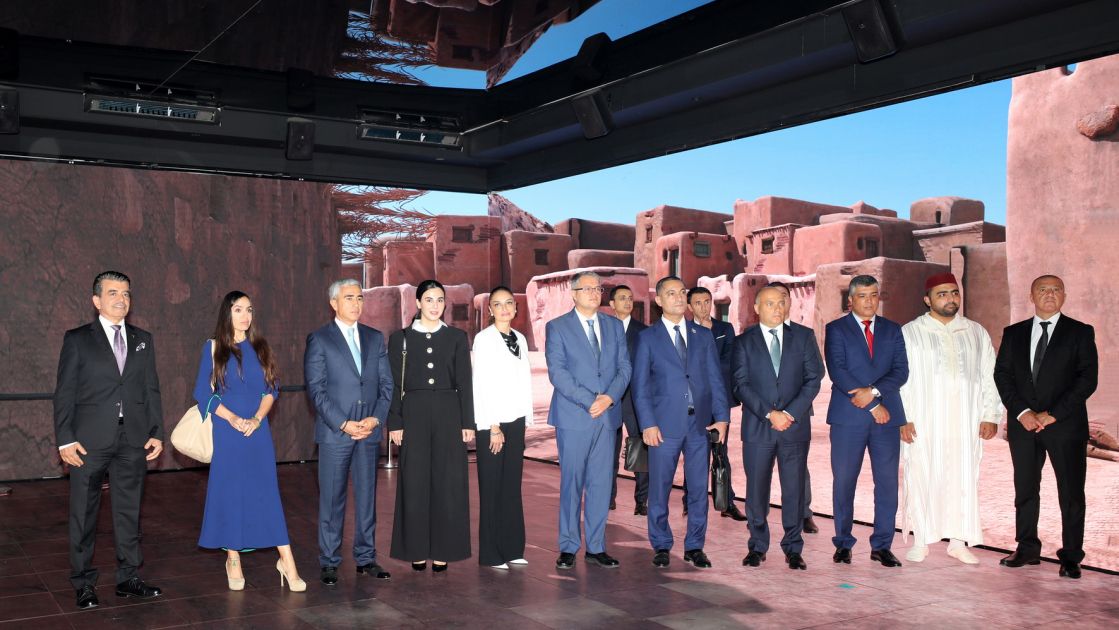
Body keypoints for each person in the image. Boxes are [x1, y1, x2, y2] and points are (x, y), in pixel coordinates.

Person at [54, 271, 164, 609]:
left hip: (133, 438)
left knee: (129, 511)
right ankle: (83, 582)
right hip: (88, 441)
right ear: (96, 300)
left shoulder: (143, 338)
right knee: (83, 513)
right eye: (113, 292)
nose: (121, 299)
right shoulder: (77, 339)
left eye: (126, 293)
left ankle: (128, 578)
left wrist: (156, 432)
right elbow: (65, 392)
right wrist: (65, 439)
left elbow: (151, 389)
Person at [195, 290, 305, 592]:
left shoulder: (260, 347)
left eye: (250, 310)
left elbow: (272, 389)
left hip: (258, 434)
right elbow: (203, 393)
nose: (246, 316)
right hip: (227, 433)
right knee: (230, 493)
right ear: (227, 313)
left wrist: (256, 419)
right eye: (239, 309)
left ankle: (287, 562)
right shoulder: (213, 348)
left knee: (268, 493)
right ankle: (233, 559)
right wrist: (232, 418)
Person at [994, 275, 1097, 579]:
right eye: (1043, 289)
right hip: (1023, 426)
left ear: (1064, 296)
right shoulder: (1013, 333)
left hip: (1065, 426)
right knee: (1025, 489)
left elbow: (1087, 380)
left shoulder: (1080, 332)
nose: (1049, 294)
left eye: (1056, 290)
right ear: (1032, 296)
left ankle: (1071, 557)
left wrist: (1053, 414)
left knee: (1071, 493)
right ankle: (1027, 548)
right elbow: (1002, 376)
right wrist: (1022, 412)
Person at [898, 274, 1003, 564]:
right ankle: (921, 540)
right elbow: (900, 379)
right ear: (927, 299)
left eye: (954, 293)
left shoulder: (976, 332)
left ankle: (958, 541)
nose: (950, 299)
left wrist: (990, 414)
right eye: (942, 294)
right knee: (922, 474)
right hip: (924, 419)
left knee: (962, 476)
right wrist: (903, 418)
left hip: (965, 420)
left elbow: (989, 375)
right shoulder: (910, 332)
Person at [632, 276, 729, 569]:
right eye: (671, 293)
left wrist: (722, 418)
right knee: (659, 489)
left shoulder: (702, 336)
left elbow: (715, 380)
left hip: (700, 426)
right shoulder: (648, 338)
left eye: (682, 292)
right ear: (659, 300)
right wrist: (647, 424)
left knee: (698, 489)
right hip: (663, 427)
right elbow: (640, 387)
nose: (678, 297)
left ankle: (695, 546)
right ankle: (661, 544)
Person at [304, 279, 394, 586]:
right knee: (332, 499)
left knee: (367, 498)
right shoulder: (320, 339)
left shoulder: (374, 337)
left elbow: (387, 385)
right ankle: (329, 561)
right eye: (349, 298)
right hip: (335, 433)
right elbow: (316, 391)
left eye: (359, 298)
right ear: (334, 303)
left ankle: (366, 558)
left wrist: (375, 419)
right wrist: (343, 423)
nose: (356, 303)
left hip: (367, 431)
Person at [545, 271, 631, 570]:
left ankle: (596, 547)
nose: (595, 293)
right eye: (588, 288)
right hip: (574, 416)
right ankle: (568, 546)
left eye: (598, 288)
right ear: (574, 294)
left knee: (601, 483)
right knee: (572, 483)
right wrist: (590, 400)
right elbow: (558, 372)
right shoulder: (558, 327)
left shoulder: (614, 325)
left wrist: (609, 398)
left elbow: (624, 368)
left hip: (606, 416)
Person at [733, 287, 823, 570]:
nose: (777, 308)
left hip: (794, 427)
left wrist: (789, 413)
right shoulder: (744, 341)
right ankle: (757, 546)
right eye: (770, 303)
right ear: (757, 307)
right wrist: (770, 414)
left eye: (781, 302)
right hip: (758, 427)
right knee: (756, 490)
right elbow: (740, 384)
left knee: (794, 490)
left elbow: (814, 378)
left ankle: (793, 548)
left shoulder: (804, 337)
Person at [387, 280, 474, 572]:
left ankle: (443, 549)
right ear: (418, 303)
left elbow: (465, 382)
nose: (435, 306)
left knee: (448, 482)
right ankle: (415, 548)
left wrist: (467, 421)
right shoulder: (400, 339)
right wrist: (395, 421)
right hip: (413, 414)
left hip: (449, 414)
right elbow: (393, 385)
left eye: (439, 300)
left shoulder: (457, 338)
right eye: (429, 299)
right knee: (414, 480)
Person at [825, 275, 908, 568]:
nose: (869, 301)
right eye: (862, 296)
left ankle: (882, 546)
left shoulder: (892, 330)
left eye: (874, 294)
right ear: (851, 300)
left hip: (887, 418)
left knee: (887, 484)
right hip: (848, 418)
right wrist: (873, 405)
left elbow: (901, 372)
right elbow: (838, 371)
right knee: (844, 482)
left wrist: (872, 393)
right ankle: (843, 543)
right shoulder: (836, 329)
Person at [472, 286, 533, 569]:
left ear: (516, 307)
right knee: (492, 487)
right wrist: (493, 426)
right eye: (498, 304)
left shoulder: (519, 338)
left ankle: (512, 548)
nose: (505, 308)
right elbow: (482, 384)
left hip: (516, 420)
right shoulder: (484, 339)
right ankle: (491, 553)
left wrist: (525, 419)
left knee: (511, 486)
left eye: (509, 303)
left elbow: (523, 382)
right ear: (490, 310)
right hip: (492, 423)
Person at [685, 286, 747, 522]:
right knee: (693, 452)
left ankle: (726, 503)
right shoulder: (684, 330)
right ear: (689, 306)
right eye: (698, 303)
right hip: (692, 402)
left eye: (707, 301)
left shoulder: (724, 329)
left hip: (719, 401)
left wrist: (707, 340)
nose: (703, 306)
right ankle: (690, 501)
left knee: (720, 452)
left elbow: (729, 362)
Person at [766, 281, 820, 535]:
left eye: (784, 297)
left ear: (789, 301)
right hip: (762, 416)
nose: (780, 302)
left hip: (796, 414)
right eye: (773, 298)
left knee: (798, 469)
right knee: (761, 469)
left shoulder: (804, 335)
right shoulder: (754, 336)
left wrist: (791, 410)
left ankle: (803, 514)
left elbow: (816, 373)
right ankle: (758, 517)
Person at [607, 285, 649, 516]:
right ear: (612, 304)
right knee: (608, 452)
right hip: (610, 400)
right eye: (622, 298)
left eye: (630, 298)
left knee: (640, 450)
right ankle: (608, 498)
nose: (627, 301)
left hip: (635, 400)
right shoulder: (602, 330)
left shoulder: (644, 332)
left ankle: (642, 500)